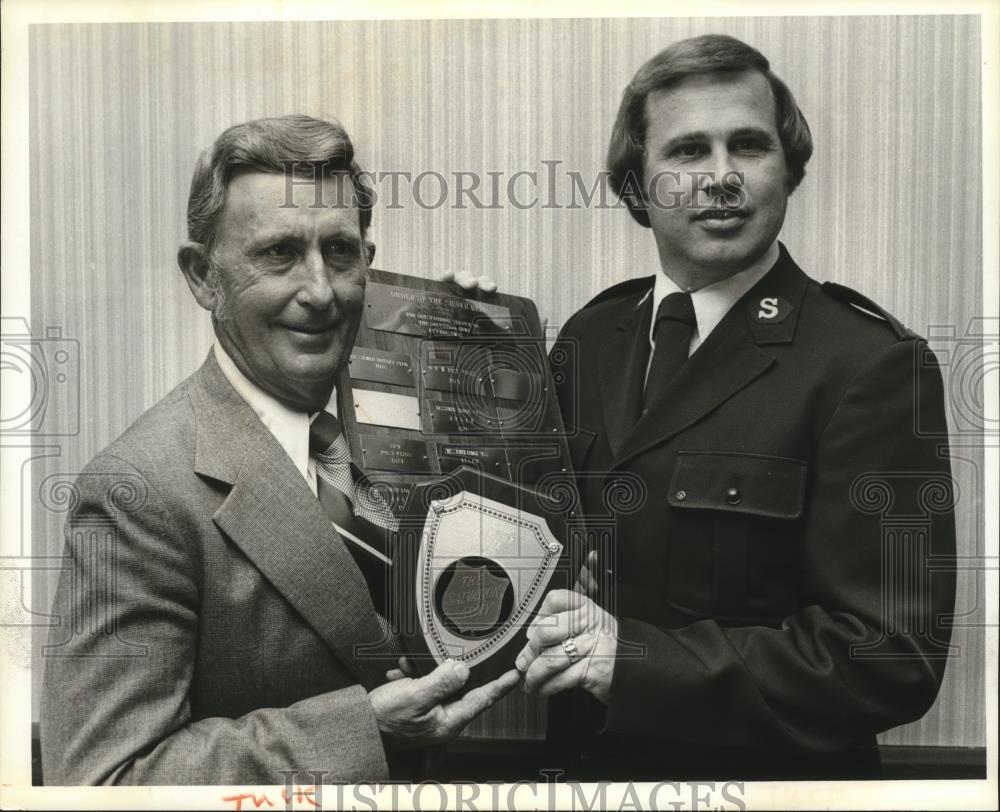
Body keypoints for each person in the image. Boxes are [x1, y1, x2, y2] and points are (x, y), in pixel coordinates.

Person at [512, 34, 957, 780]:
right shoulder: (595, 335)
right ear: (636, 184)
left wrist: (634, 659)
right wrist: (461, 336)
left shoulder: (870, 366)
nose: (721, 178)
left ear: (787, 172)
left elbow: (891, 656)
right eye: (687, 152)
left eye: (747, 146)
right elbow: (527, 518)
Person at [40, 115, 519, 785]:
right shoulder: (138, 491)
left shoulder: (405, 415)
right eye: (279, 254)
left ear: (369, 265)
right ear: (203, 276)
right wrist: (365, 731)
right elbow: (105, 780)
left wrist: (474, 366)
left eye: (341, 253)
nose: (321, 291)